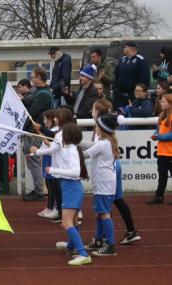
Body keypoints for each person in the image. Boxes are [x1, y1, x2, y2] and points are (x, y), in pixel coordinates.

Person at [87, 99, 141, 245]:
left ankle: (105, 238)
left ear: (97, 111)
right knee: (116, 199)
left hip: (108, 169)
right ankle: (130, 231)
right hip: (114, 165)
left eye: (92, 109)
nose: (91, 112)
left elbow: (92, 149)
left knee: (106, 205)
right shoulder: (106, 126)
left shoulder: (101, 128)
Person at [44, 123, 92, 266]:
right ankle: (71, 246)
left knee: (66, 222)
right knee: (74, 221)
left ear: (67, 136)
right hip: (71, 188)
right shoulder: (70, 149)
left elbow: (75, 172)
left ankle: (83, 253)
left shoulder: (71, 151)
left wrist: (53, 170)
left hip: (71, 188)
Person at [82, 114, 119, 257]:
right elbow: (88, 145)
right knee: (100, 214)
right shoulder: (106, 141)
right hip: (104, 183)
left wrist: (68, 147)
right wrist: (73, 140)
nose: (95, 128)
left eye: (97, 125)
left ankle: (110, 245)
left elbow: (85, 154)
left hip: (104, 184)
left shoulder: (103, 144)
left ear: (102, 129)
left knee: (104, 214)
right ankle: (98, 240)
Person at [22, 67, 54, 201]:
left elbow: (32, 112)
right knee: (33, 160)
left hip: (36, 131)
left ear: (39, 78)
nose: (31, 79)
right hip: (35, 131)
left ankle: (39, 190)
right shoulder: (40, 92)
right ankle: (38, 189)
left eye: (33, 76)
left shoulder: (43, 94)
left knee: (33, 160)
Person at [35, 109, 60, 220]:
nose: (44, 121)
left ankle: (55, 207)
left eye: (45, 119)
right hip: (46, 157)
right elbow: (44, 145)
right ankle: (49, 207)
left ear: (50, 119)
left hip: (51, 159)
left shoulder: (55, 131)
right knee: (49, 184)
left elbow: (50, 145)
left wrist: (42, 135)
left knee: (52, 185)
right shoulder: (50, 130)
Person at [148, 94, 172, 204]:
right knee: (162, 176)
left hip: (170, 153)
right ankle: (159, 196)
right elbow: (158, 131)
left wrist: (158, 137)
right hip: (162, 152)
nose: (160, 103)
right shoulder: (162, 115)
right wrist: (155, 135)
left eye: (163, 102)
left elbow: (170, 135)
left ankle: (159, 196)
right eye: (161, 101)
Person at [113, 42, 150, 109]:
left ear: (129, 48)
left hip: (133, 95)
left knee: (132, 113)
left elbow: (145, 78)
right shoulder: (122, 59)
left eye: (124, 47)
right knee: (120, 113)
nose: (123, 49)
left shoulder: (141, 60)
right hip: (120, 95)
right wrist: (116, 89)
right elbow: (116, 75)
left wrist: (139, 92)